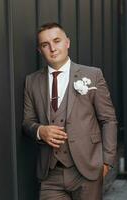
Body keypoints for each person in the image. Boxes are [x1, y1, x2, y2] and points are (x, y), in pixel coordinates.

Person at [23, 22, 117, 200]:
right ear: (39, 50)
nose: (52, 48)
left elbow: (109, 120)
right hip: (50, 174)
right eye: (45, 44)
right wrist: (39, 131)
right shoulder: (31, 81)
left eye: (56, 41)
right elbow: (27, 122)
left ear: (67, 42)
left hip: (87, 169)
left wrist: (106, 161)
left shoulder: (92, 75)